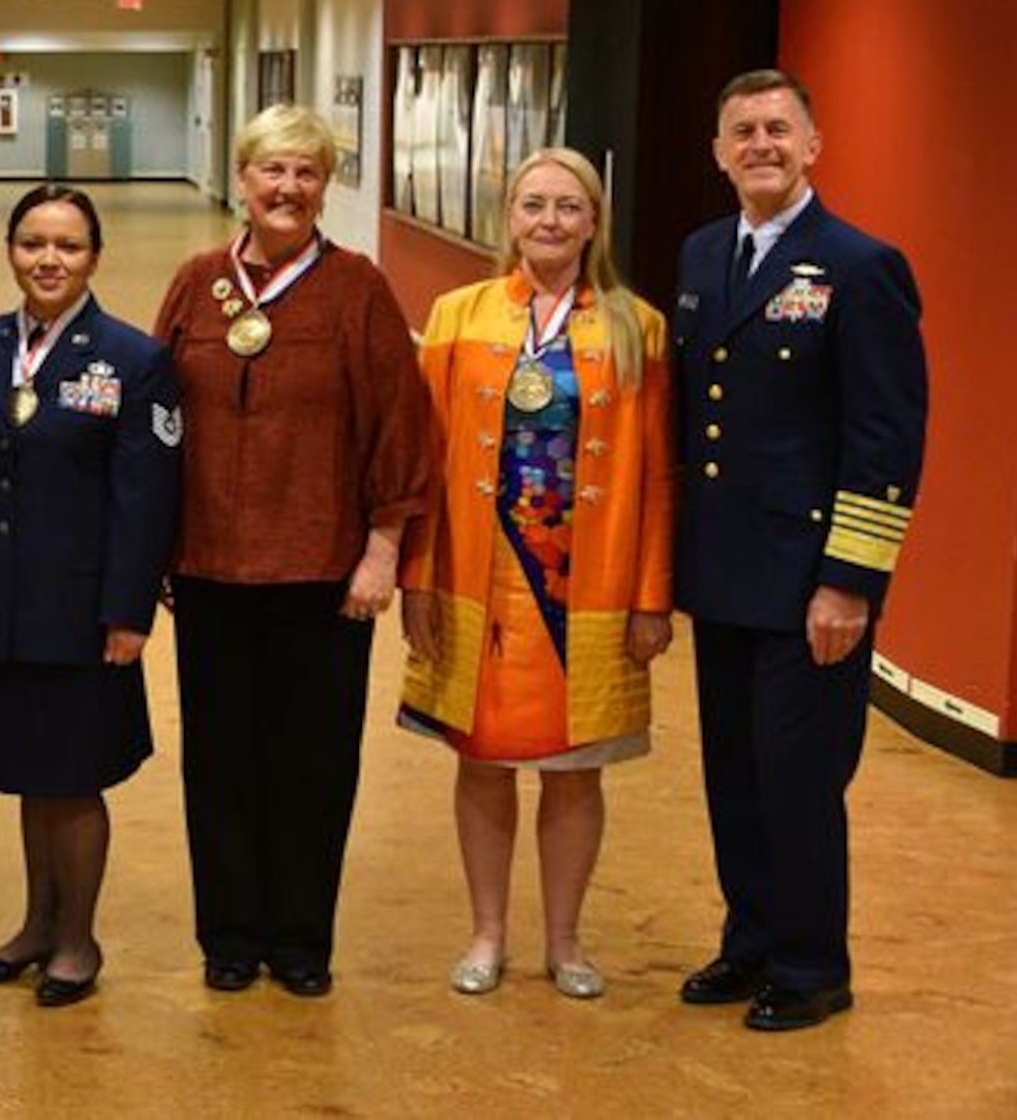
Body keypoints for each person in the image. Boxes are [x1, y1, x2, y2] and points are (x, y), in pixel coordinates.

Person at [673, 69, 927, 1031]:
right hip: (725, 572)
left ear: (814, 144)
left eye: (779, 129)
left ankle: (814, 963)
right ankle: (751, 944)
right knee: (734, 773)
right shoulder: (704, 255)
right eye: (743, 131)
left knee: (800, 779)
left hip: (810, 583)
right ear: (719, 151)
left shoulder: (860, 267)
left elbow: (886, 440)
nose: (761, 145)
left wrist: (851, 585)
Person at [154, 105, 426, 997]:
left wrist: (383, 549)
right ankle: (229, 935)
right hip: (208, 569)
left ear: (327, 185)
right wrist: (149, 546)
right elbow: (152, 425)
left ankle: (302, 937)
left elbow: (401, 428)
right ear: (242, 179)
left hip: (323, 570)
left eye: (307, 172)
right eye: (273, 170)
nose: (288, 188)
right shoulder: (198, 285)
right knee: (220, 757)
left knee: (313, 760)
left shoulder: (358, 291)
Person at [397, 148, 674, 1001]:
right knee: (481, 762)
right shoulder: (456, 315)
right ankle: (487, 933)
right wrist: (417, 575)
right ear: (507, 217)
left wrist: (651, 595)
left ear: (594, 222)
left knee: (574, 767)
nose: (549, 221)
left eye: (567, 207)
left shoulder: (639, 326)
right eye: (533, 205)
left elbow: (658, 473)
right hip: (478, 578)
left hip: (583, 586)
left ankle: (566, 941)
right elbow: (422, 457)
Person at [0, 185, 181, 1009]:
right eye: (33, 242)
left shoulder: (133, 362)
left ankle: (78, 938)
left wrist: (129, 612)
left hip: (82, 611)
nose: (49, 259)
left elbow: (147, 500)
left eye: (68, 246)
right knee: (28, 770)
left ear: (94, 258)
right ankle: (37, 924)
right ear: (10, 250)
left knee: (74, 776)